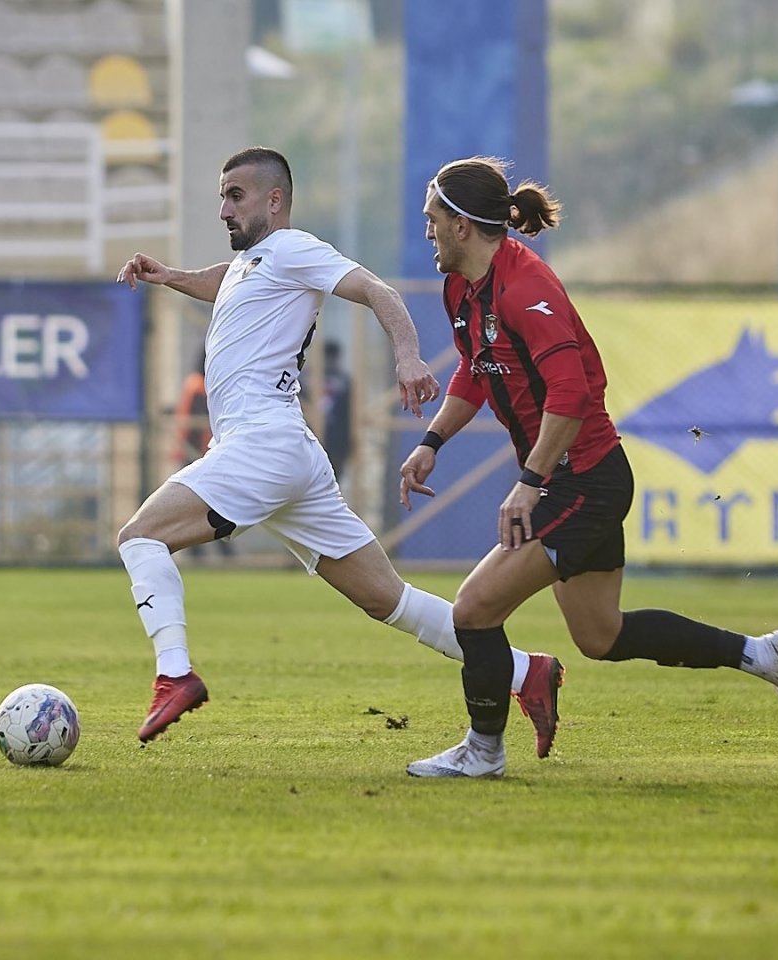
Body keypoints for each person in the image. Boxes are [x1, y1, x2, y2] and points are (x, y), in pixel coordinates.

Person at [116, 146, 564, 752]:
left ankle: (174, 673)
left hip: (262, 446)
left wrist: (407, 355)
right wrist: (170, 277)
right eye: (221, 196)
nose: (223, 208)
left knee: (140, 537)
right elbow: (224, 281)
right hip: (289, 455)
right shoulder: (256, 263)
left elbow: (377, 290)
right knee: (390, 600)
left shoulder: (294, 248)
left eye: (235, 195)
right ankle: (524, 671)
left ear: (275, 201)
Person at [398, 156, 778, 779]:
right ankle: (763, 655)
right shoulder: (461, 286)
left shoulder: (526, 286)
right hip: (574, 479)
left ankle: (483, 752)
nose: (428, 231)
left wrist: (530, 483)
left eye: (432, 219)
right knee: (600, 636)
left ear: (463, 226)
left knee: (472, 610)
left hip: (582, 481)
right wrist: (433, 439)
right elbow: (476, 367)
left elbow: (571, 396)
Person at [172, 349, 232, 558]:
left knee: (200, 506)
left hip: (192, 453)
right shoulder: (201, 387)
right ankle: (222, 553)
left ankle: (202, 552)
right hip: (199, 454)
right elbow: (197, 424)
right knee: (215, 504)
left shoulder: (192, 383)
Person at [319, 339, 352, 482]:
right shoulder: (305, 379)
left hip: (336, 438)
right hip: (317, 433)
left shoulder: (344, 380)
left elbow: (349, 412)